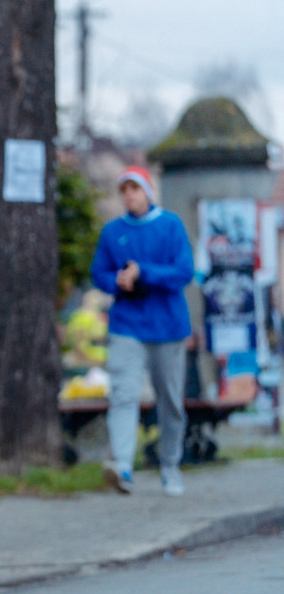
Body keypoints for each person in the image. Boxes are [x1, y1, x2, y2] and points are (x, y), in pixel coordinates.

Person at [90, 165, 194, 496]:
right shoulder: (112, 232)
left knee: (170, 401)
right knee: (123, 393)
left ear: (147, 191)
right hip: (127, 325)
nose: (129, 195)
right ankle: (122, 466)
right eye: (124, 190)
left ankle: (169, 464)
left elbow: (183, 272)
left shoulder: (170, 225)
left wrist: (143, 272)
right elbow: (99, 273)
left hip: (167, 325)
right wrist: (117, 281)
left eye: (135, 188)